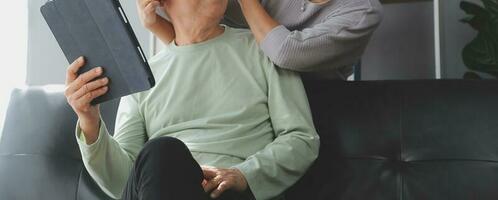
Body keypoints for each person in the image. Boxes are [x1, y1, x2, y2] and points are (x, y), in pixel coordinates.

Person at [64, 0, 319, 199]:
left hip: (231, 192)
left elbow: (300, 137)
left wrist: (245, 175)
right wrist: (89, 120)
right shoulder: (144, 79)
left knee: (163, 151)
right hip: (163, 186)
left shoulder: (264, 51)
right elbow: (122, 181)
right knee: (162, 151)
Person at [140, 0, 383, 79]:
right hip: (235, 90)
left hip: (307, 112)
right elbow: (193, 32)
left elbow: (286, 52)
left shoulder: (361, 11)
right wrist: (155, 23)